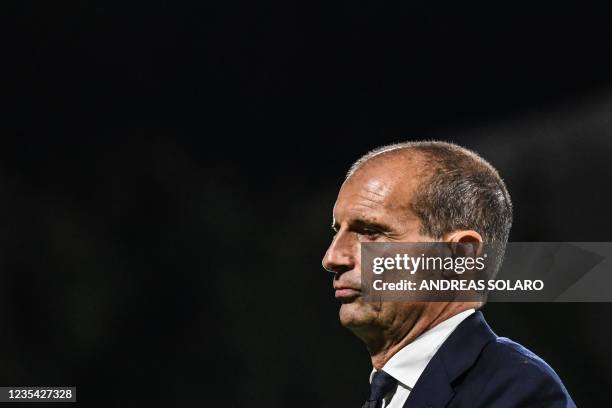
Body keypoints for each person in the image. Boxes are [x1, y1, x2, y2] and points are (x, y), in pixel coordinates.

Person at [322, 141, 575, 408]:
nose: (332, 257)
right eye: (337, 231)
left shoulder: (517, 389)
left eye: (370, 232)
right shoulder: (389, 397)